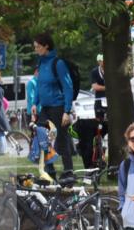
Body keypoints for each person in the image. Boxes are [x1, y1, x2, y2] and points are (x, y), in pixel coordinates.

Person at [29, 33, 74, 174]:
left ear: (46, 46)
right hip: (45, 108)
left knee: (61, 139)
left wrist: (67, 111)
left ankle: (68, 172)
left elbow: (68, 87)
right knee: (42, 138)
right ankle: (49, 171)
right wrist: (35, 103)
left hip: (58, 107)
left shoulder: (58, 63)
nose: (35, 49)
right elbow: (39, 85)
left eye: (37, 47)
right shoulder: (41, 63)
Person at [76, 55, 106, 169]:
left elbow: (99, 86)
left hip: (110, 102)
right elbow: (95, 86)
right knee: (97, 125)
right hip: (99, 103)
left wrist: (102, 87)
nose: (103, 63)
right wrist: (107, 87)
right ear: (99, 62)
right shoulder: (95, 72)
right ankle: (97, 146)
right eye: (101, 61)